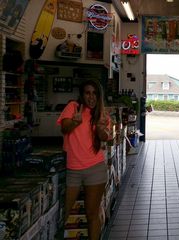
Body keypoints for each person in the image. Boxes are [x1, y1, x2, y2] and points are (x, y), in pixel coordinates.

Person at [57, 79, 110, 240]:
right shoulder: (73, 107)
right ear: (82, 95)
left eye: (94, 93)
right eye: (87, 93)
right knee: (62, 214)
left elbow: (107, 137)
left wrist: (101, 130)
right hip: (73, 170)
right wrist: (75, 121)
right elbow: (64, 128)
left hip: (95, 169)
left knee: (92, 214)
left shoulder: (101, 114)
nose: (91, 97)